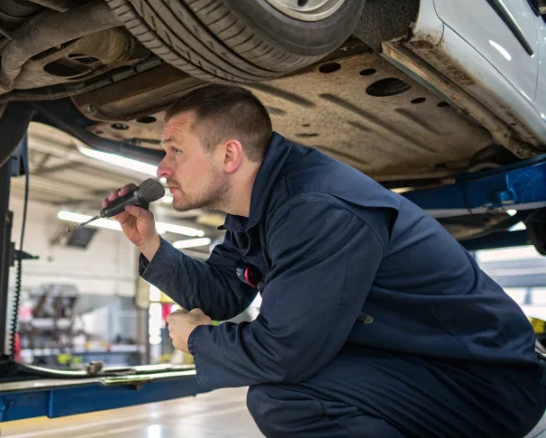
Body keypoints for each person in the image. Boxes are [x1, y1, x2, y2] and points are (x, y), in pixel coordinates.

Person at [103, 84, 546, 438]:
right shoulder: (260, 206)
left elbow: (284, 353)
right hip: (417, 363)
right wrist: (151, 244)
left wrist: (198, 340)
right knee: (288, 390)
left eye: (175, 151)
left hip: (484, 384)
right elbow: (222, 295)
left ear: (230, 155)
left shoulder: (315, 207)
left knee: (287, 398)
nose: (162, 169)